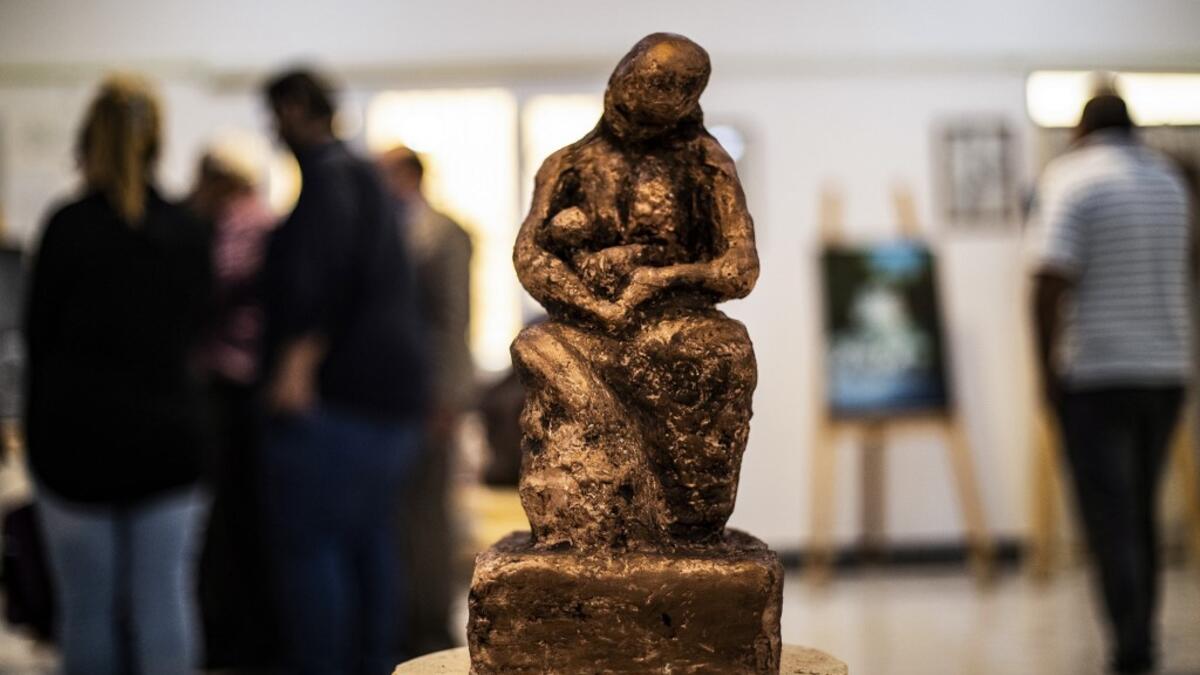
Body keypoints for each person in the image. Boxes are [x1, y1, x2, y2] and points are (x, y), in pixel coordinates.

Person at [23, 74, 213, 675]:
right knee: (164, 605)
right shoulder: (186, 229)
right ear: (157, 143)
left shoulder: (66, 227)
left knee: (86, 613)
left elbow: (37, 338)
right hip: (169, 443)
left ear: (87, 142)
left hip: (74, 446)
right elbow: (198, 333)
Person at [259, 69, 428, 674]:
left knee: (315, 547)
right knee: (367, 542)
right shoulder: (362, 177)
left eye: (275, 112)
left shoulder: (329, 178)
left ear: (298, 108)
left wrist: (295, 367)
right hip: (389, 400)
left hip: (344, 401)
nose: (271, 127)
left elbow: (323, 280)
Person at [1030, 93, 1193, 675]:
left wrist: (1045, 373)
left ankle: (1130, 647)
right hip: (1167, 372)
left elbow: (1049, 278)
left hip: (1097, 374)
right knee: (1143, 509)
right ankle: (1143, 634)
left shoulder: (1072, 179)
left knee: (1109, 514)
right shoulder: (1169, 184)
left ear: (1081, 131)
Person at [187, 134, 280, 671]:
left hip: (234, 387)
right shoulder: (261, 218)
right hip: (246, 386)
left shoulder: (244, 222)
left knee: (230, 521)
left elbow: (219, 287)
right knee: (244, 520)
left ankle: (236, 640)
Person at [377, 145, 472, 655]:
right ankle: (400, 623)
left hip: (430, 397)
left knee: (428, 514)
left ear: (409, 175)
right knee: (396, 516)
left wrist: (447, 398)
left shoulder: (444, 233)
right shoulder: (385, 232)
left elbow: (453, 321)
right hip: (391, 400)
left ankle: (429, 626)